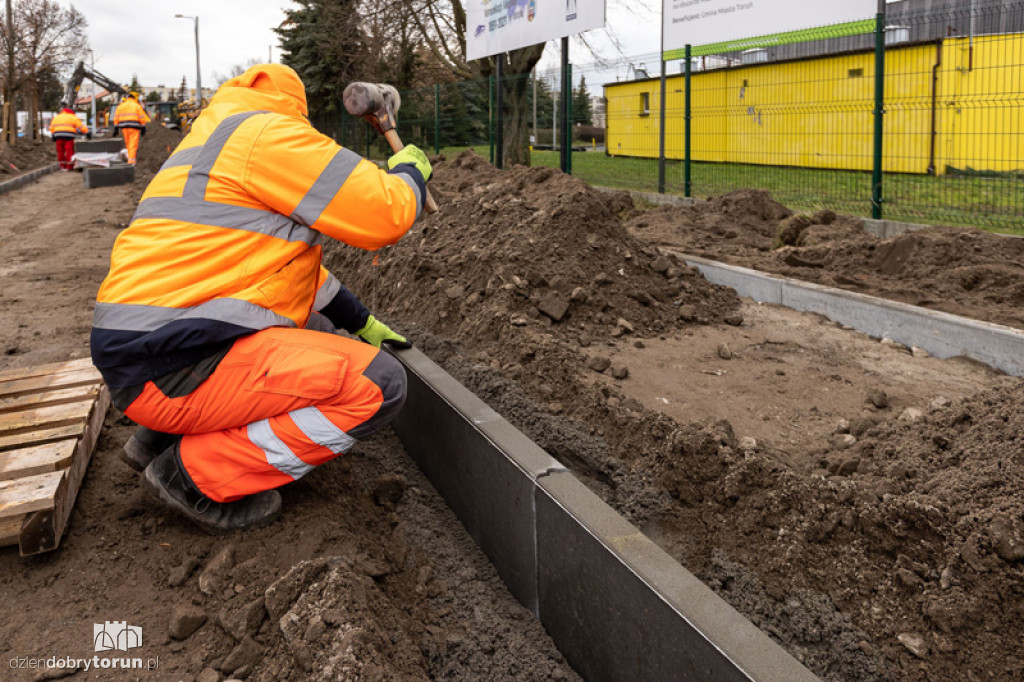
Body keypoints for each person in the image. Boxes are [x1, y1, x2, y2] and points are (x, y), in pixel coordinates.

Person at [91, 64, 431, 534]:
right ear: (295, 107)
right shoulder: (270, 134)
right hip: (172, 370)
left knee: (316, 331)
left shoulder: (205, 143)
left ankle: (157, 438)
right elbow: (384, 213)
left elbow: (282, 272)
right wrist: (411, 170)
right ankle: (193, 476)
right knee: (379, 385)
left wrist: (361, 322)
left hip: (143, 356)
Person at [112, 92, 151, 164]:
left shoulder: (121, 106)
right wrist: (143, 128)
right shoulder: (137, 106)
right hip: (134, 127)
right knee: (133, 144)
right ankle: (131, 161)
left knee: (128, 144)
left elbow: (116, 118)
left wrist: (116, 129)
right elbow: (142, 118)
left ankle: (129, 158)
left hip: (124, 127)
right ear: (134, 98)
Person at [48, 106, 90, 171]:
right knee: (69, 151)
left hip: (58, 135)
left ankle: (62, 166)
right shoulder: (73, 117)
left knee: (60, 151)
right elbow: (81, 126)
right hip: (69, 136)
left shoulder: (56, 117)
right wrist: (87, 133)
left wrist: (53, 135)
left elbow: (51, 128)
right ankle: (69, 166)